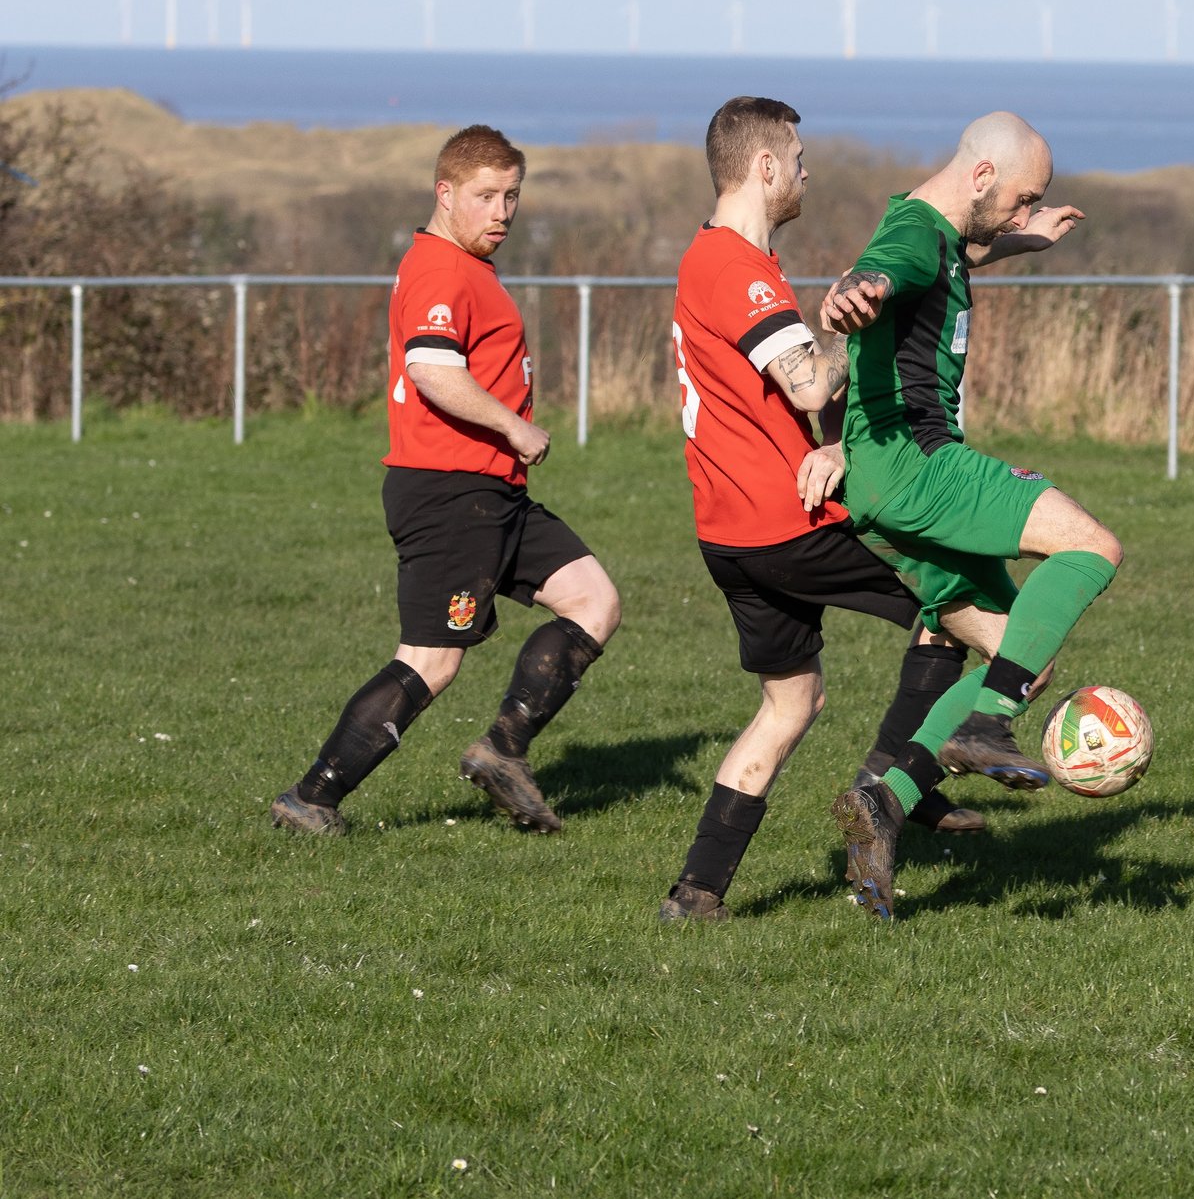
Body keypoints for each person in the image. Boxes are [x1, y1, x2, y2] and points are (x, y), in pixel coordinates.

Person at [656, 98, 1013, 922]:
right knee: (963, 614)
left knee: (793, 702)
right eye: (800, 157)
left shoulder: (717, 260)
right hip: (792, 522)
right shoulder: (737, 270)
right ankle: (885, 794)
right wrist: (860, 326)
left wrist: (1004, 242)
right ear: (767, 168)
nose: (808, 170)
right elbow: (811, 383)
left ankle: (697, 892)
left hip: (728, 531)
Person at [272, 126, 622, 836]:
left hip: (494, 493)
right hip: (449, 491)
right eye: (485, 196)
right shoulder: (438, 268)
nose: (502, 211)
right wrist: (513, 427)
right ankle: (312, 798)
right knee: (431, 660)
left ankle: (503, 751)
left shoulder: (468, 267)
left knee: (593, 600)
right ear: (445, 193)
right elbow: (433, 371)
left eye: (512, 196)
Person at [818, 111, 1120, 920]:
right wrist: (854, 298)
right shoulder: (912, 238)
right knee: (1092, 546)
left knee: (1022, 655)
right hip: (920, 467)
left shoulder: (939, 228)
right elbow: (881, 274)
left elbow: (963, 249)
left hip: (882, 488)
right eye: (1023, 198)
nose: (1025, 212)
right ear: (983, 176)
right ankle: (981, 727)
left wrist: (1027, 239)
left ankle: (885, 800)